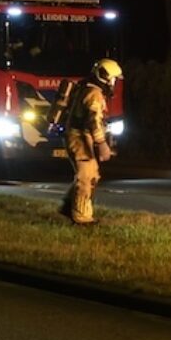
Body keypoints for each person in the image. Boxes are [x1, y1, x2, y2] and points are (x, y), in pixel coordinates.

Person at [57, 58, 121, 225]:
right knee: (86, 176)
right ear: (105, 77)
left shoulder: (85, 88)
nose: (114, 83)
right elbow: (94, 121)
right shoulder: (95, 94)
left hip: (76, 136)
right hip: (79, 138)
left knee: (90, 173)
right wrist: (102, 144)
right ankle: (81, 218)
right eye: (113, 79)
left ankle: (69, 206)